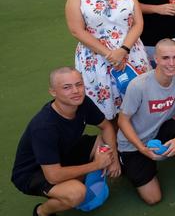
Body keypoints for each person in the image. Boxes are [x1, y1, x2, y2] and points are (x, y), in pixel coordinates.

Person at [12, 67, 121, 216]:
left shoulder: (82, 102)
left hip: (63, 153)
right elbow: (53, 176)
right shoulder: (44, 126)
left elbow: (107, 126)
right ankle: (42, 212)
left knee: (104, 143)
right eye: (67, 87)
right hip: (34, 172)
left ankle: (81, 177)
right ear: (53, 92)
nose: (76, 91)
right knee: (77, 193)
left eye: (79, 84)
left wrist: (113, 158)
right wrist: (97, 164)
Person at [117, 39, 175, 203]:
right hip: (134, 143)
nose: (171, 63)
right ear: (155, 59)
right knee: (153, 198)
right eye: (166, 58)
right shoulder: (138, 85)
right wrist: (142, 149)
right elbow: (122, 121)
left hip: (161, 129)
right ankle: (123, 159)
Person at [65, 0, 151, 119]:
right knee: (107, 111)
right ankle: (112, 143)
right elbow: (76, 30)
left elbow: (138, 23)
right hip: (98, 58)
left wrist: (123, 50)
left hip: (130, 54)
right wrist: (110, 54)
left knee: (139, 103)